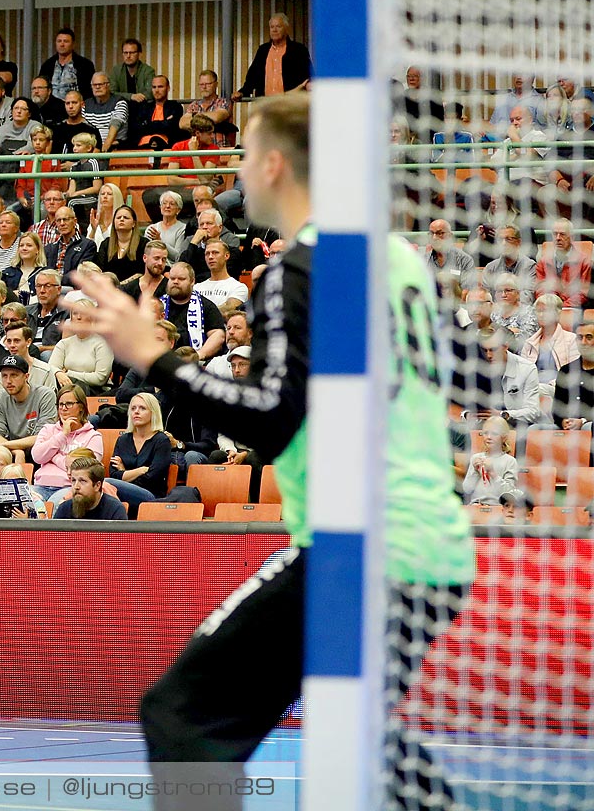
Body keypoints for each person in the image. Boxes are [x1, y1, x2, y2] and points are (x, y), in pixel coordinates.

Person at [75, 92, 475, 810]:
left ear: (274, 164)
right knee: (365, 740)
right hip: (433, 543)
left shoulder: (299, 268)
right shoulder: (398, 258)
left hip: (356, 547)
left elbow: (273, 420)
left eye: (242, 155)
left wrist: (155, 359)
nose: (237, 172)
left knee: (182, 714)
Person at [53, 453, 127, 519]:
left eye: (82, 481)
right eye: (74, 480)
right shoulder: (64, 508)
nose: (76, 486)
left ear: (97, 486)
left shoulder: (115, 509)